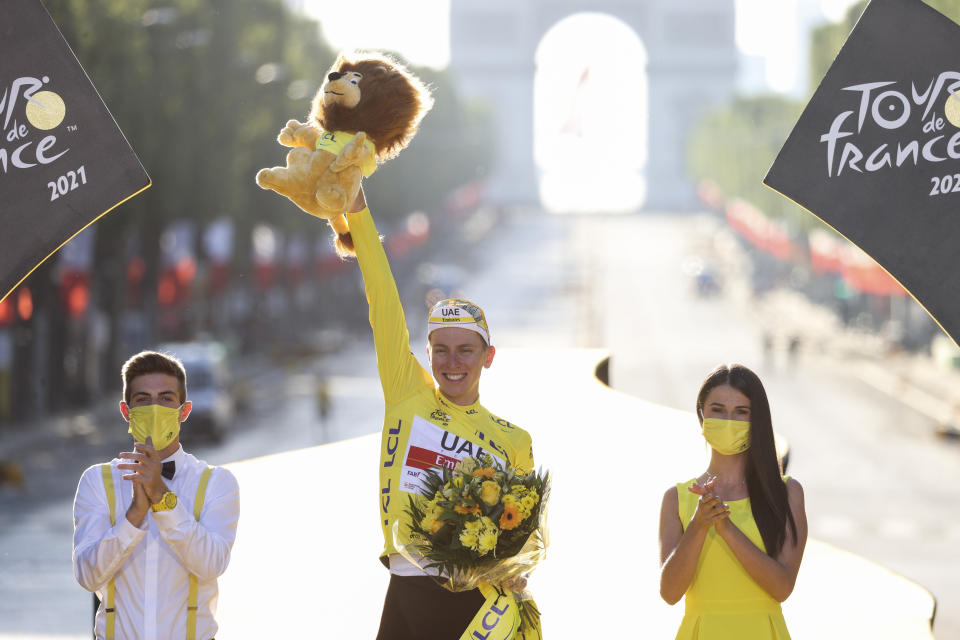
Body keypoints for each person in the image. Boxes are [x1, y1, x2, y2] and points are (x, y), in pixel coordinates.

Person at [337, 188, 535, 640]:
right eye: (441, 351)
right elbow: (382, 296)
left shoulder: (513, 440)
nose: (452, 363)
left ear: (488, 357)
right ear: (426, 354)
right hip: (403, 587)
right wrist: (357, 210)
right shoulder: (408, 393)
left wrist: (517, 570)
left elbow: (520, 537)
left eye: (466, 350)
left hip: (470, 604)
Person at [72, 350, 240, 640]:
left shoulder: (216, 483)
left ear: (183, 411)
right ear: (127, 412)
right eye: (143, 400)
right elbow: (88, 577)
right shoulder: (97, 481)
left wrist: (163, 499)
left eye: (165, 399)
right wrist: (134, 516)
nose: (154, 409)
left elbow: (211, 564)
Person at [658, 363, 807, 639]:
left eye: (741, 412)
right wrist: (698, 525)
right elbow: (669, 593)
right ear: (702, 415)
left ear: (757, 421)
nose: (729, 421)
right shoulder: (676, 499)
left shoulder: (787, 493)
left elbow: (782, 587)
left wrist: (726, 528)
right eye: (718, 410)